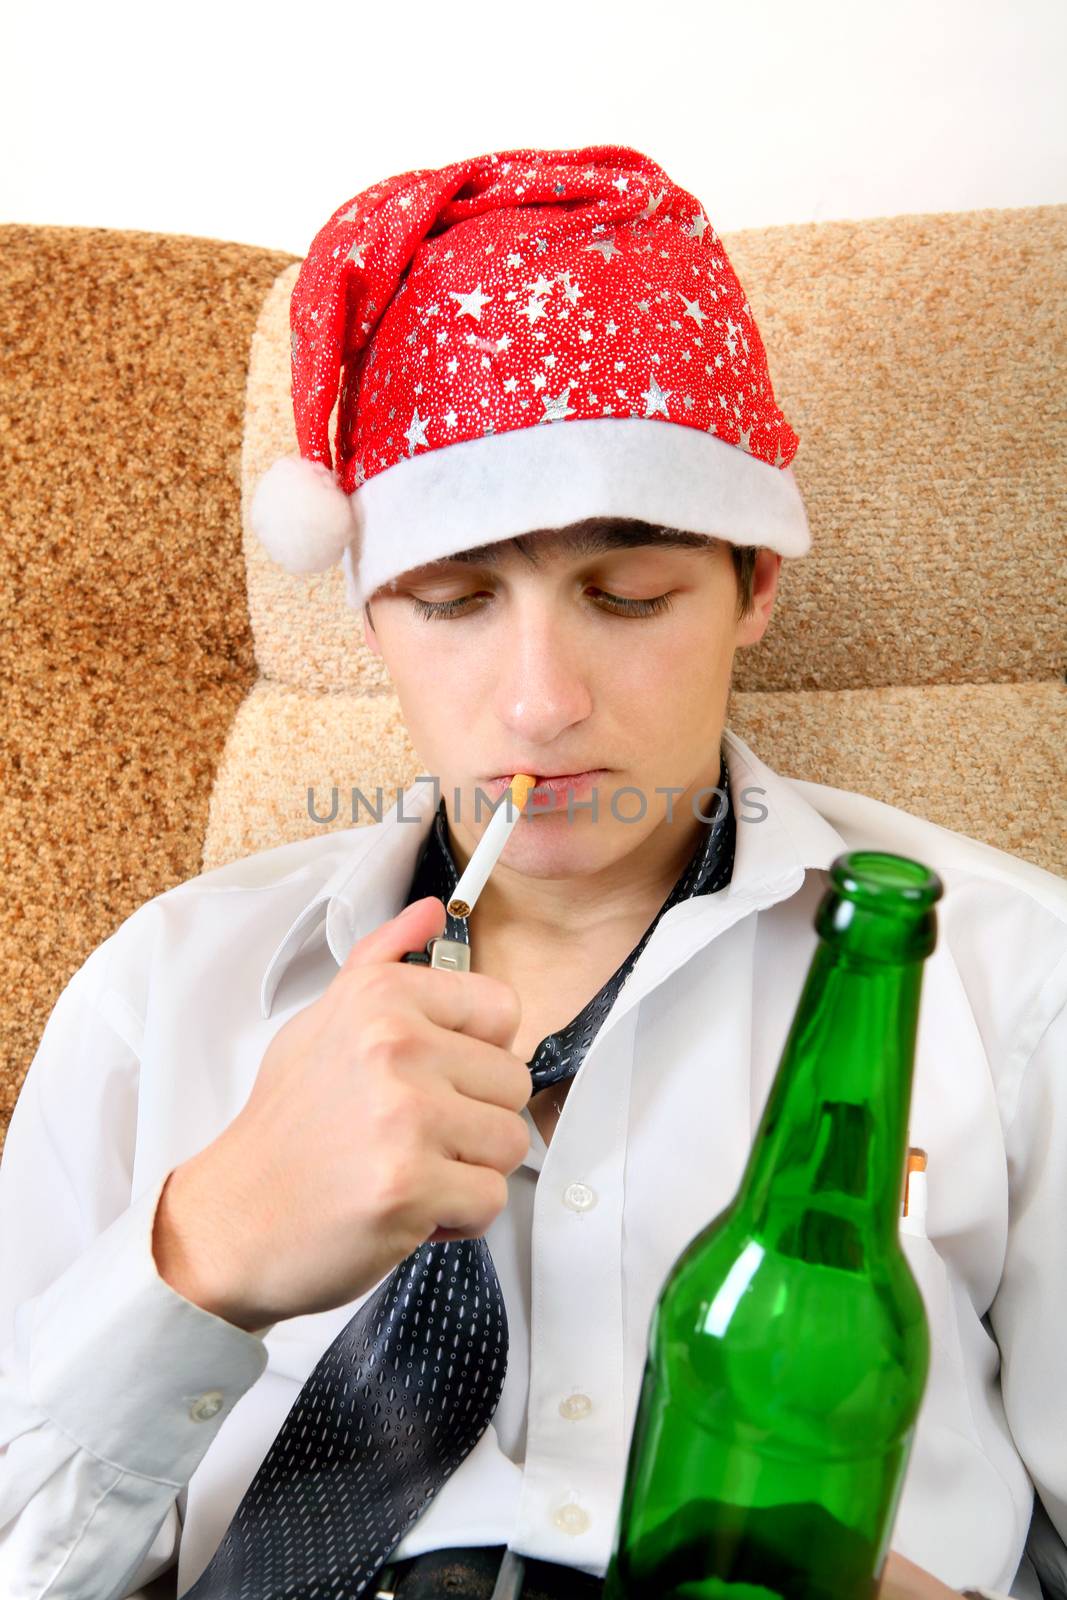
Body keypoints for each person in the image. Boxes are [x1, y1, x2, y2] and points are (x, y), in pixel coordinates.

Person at [1, 143, 1063, 1600]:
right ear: (371, 610)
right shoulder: (163, 993)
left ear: (756, 583)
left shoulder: (1015, 985)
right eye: (452, 601)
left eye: (627, 596)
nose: (540, 704)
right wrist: (208, 1245)